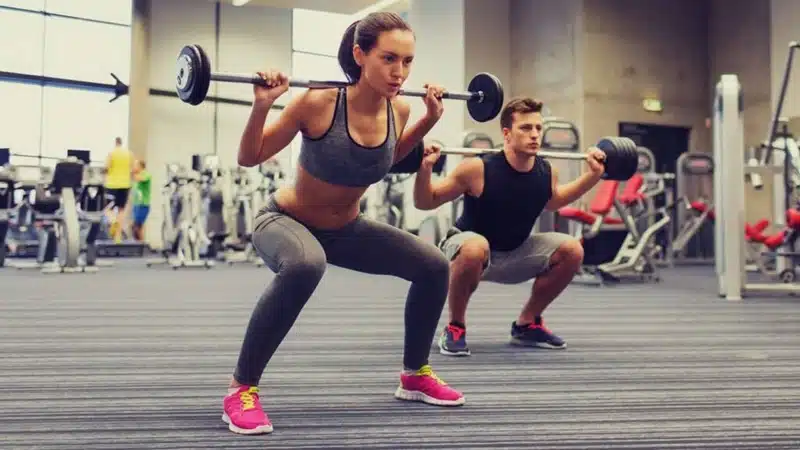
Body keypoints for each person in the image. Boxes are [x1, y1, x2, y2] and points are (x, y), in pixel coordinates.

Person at [223, 12, 465, 436]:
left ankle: (415, 374)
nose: (400, 72)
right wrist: (262, 105)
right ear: (359, 55)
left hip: (346, 230)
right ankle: (240, 389)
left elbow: (384, 161)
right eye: (389, 59)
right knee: (305, 265)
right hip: (285, 221)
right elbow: (250, 156)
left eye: (407, 62)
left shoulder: (400, 108)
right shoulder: (317, 103)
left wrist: (428, 120)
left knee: (433, 264)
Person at [413, 97, 605, 357]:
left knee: (572, 249)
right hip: (467, 251)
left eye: (538, 128)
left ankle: (527, 323)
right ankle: (456, 326)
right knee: (475, 246)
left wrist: (592, 175)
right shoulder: (477, 169)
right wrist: (424, 168)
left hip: (514, 252)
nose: (535, 135)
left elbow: (555, 201)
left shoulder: (546, 172)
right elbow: (425, 202)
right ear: (506, 133)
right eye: (526, 128)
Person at [104, 137, 133, 242]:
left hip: (112, 185)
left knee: (107, 209)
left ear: (115, 143)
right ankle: (118, 237)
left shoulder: (111, 153)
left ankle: (113, 221)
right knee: (121, 210)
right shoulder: (129, 154)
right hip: (125, 185)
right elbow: (132, 168)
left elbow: (107, 167)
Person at [130, 159, 151, 241]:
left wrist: (132, 173)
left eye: (135, 165)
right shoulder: (136, 175)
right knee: (136, 226)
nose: (133, 167)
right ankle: (138, 243)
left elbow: (140, 179)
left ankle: (140, 244)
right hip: (136, 204)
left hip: (143, 204)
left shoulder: (146, 174)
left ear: (140, 166)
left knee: (137, 226)